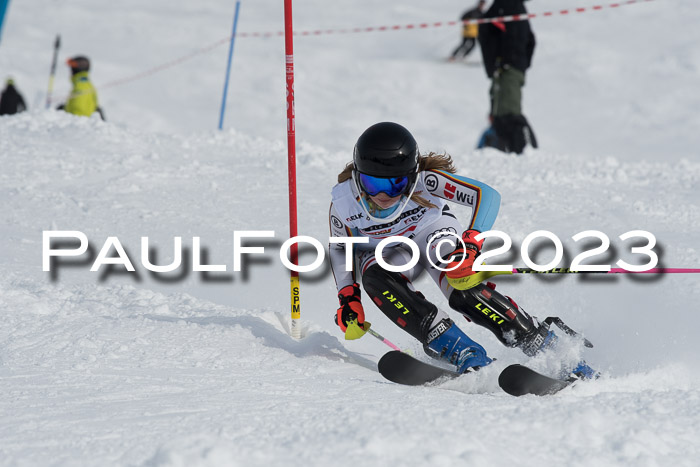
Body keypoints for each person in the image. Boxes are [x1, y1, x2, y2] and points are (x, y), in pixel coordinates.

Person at [330, 122, 594, 377]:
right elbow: (341, 248)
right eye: (373, 184)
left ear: (410, 177)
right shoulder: (344, 203)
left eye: (395, 184)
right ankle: (461, 350)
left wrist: (470, 244)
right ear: (357, 177)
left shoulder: (427, 180)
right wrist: (348, 297)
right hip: (391, 251)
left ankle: (544, 344)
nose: (384, 195)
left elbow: (487, 195)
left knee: (459, 276)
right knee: (376, 278)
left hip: (430, 231)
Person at [477, 0, 537, 154]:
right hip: (510, 68)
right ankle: (511, 151)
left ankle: (520, 152)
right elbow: (531, 40)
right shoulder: (516, 7)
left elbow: (485, 31)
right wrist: (521, 64)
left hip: (507, 68)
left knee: (507, 114)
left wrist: (503, 63)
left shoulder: (504, 6)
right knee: (501, 113)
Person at [57, 56, 105, 120]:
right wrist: (65, 108)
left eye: (72, 68)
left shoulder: (81, 86)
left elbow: (78, 112)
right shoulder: (86, 84)